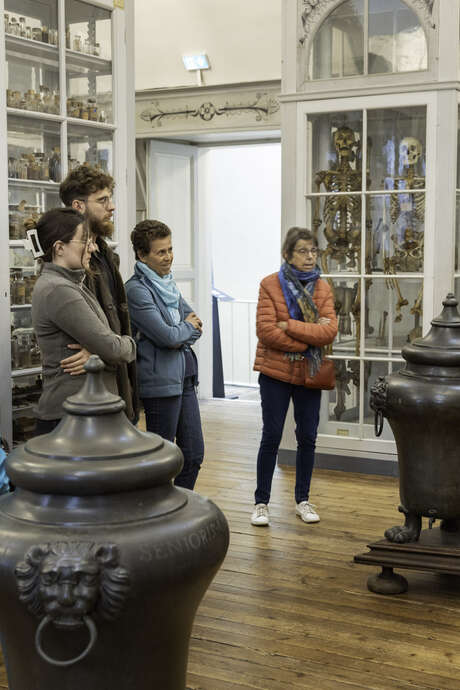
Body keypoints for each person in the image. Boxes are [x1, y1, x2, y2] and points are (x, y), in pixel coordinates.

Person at [251, 226, 338, 527]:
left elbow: (329, 331)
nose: (310, 256)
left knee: (308, 437)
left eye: (313, 250)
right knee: (272, 436)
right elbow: (266, 331)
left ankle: (303, 499)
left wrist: (291, 326)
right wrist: (307, 341)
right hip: (275, 373)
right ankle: (261, 502)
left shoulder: (322, 288)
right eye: (303, 251)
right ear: (287, 254)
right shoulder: (269, 285)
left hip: (308, 374)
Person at [29, 208, 136, 435]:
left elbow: (106, 346)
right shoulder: (59, 289)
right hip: (71, 417)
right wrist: (127, 344)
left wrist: (98, 354)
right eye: (85, 241)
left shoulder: (73, 284)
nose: (93, 247)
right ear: (59, 248)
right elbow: (114, 348)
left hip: (83, 412)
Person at [125, 220, 204, 490]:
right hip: (160, 385)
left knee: (193, 455)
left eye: (170, 249)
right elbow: (168, 337)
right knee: (161, 462)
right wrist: (182, 331)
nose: (168, 257)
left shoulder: (168, 285)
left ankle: (178, 510)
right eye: (161, 252)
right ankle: (155, 517)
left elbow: (195, 326)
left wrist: (180, 332)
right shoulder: (137, 290)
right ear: (141, 255)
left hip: (184, 377)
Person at [58, 164, 139, 423]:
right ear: (78, 206)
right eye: (102, 200)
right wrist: (102, 351)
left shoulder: (105, 255)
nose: (112, 207)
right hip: (85, 392)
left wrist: (106, 350)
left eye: (110, 199)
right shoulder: (65, 262)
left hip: (115, 377)